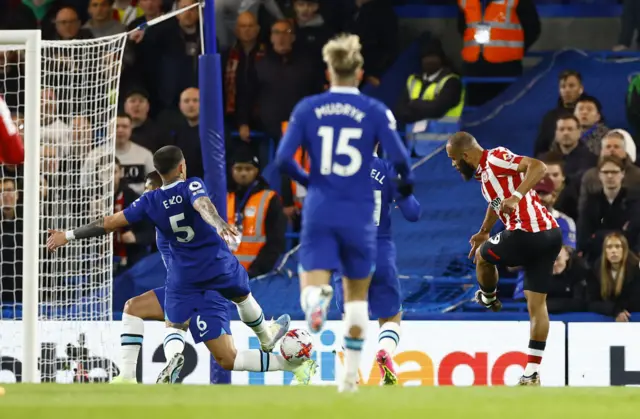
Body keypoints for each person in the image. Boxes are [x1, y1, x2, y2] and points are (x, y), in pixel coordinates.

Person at [47, 146, 316, 384]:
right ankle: (129, 376)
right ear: (181, 167)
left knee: (222, 355)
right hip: (203, 276)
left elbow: (109, 223)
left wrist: (68, 235)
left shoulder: (151, 204)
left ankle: (281, 360)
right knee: (136, 307)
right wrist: (219, 223)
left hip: (195, 288)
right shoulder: (184, 191)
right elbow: (201, 203)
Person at [275, 34, 413, 393]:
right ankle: (349, 382)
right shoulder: (375, 110)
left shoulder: (308, 107)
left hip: (322, 206)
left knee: (315, 280)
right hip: (359, 214)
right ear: (361, 71)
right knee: (356, 298)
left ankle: (314, 301)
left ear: (329, 70)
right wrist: (407, 187)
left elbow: (282, 160)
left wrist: (312, 181)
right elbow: (399, 159)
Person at [111, 172, 314, 384]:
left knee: (227, 359)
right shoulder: (164, 222)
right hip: (182, 288)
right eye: (145, 192)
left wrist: (218, 223)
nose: (146, 197)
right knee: (133, 308)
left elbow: (201, 210)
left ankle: (293, 365)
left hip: (206, 292)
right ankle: (127, 376)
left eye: (151, 191)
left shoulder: (188, 211)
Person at [446, 131, 562, 386]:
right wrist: (485, 229)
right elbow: (496, 201)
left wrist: (516, 196)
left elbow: (538, 166)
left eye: (454, 159)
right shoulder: (485, 176)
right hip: (550, 236)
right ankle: (531, 373)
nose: (454, 165)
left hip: (528, 231)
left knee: (483, 256)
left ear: (465, 155)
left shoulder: (496, 158)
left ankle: (488, 298)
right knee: (537, 306)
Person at [333, 146, 420, 385]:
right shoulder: (389, 170)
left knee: (351, 316)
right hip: (380, 252)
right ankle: (385, 351)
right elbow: (413, 213)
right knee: (392, 316)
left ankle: (351, 375)